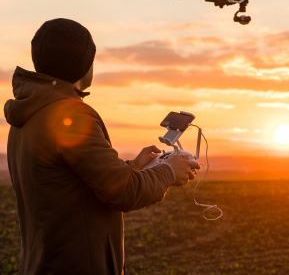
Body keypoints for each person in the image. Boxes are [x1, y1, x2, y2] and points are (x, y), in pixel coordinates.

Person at [4, 18, 200, 275]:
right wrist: (169, 171)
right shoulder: (70, 114)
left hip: (42, 263)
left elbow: (70, 183)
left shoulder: (28, 114)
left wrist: (133, 167)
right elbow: (124, 192)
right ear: (84, 64)